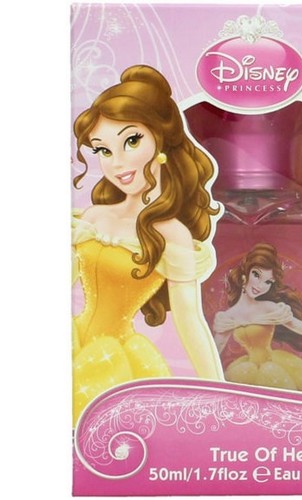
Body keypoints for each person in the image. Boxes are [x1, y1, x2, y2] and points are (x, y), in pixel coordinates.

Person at [72, 65, 223, 425]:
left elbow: (190, 321)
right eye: (103, 150)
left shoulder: (171, 234)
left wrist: (221, 396)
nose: (117, 163)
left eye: (131, 141)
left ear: (161, 140)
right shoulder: (93, 216)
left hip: (114, 363)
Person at [213, 243, 302, 391]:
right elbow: (213, 351)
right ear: (244, 275)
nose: (260, 285)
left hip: (274, 366)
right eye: (256, 275)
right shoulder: (228, 317)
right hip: (245, 371)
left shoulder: (269, 308)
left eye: (268, 282)